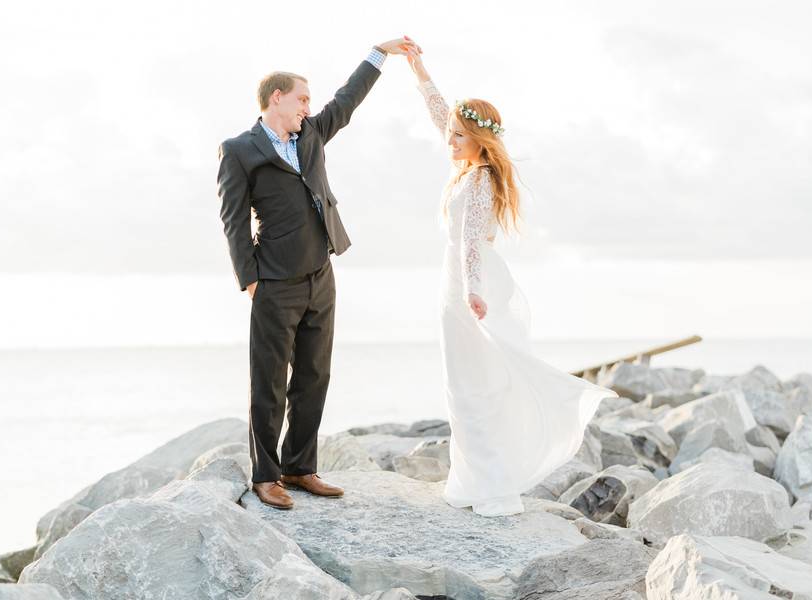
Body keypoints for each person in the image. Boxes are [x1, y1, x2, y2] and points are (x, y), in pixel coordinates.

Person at [405, 41, 619, 517]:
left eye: (460, 135)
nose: (451, 139)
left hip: (471, 284)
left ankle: (493, 485)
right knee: (461, 383)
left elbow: (472, 241)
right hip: (456, 283)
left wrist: (473, 291)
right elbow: (442, 113)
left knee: (478, 383)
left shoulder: (480, 179)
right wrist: (420, 72)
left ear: (481, 140)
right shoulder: (464, 169)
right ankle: (473, 479)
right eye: (452, 134)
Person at [217, 37, 420, 510]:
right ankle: (266, 476)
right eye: (302, 98)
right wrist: (249, 278)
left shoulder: (310, 134)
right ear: (277, 98)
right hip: (273, 280)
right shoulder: (239, 150)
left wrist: (379, 54)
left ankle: (299, 466)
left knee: (314, 373)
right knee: (268, 380)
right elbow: (233, 219)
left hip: (320, 273)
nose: (310, 106)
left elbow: (346, 101)